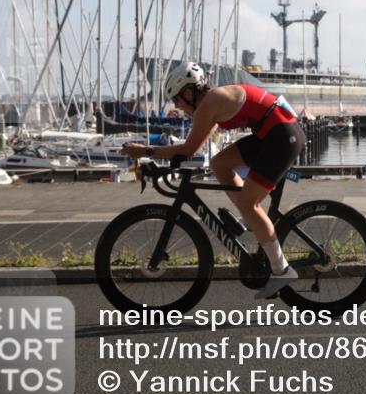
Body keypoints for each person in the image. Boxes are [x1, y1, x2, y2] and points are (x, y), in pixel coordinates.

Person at [120, 61, 305, 299]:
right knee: (220, 163)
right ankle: (247, 219)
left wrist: (144, 151)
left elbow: (188, 149)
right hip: (271, 132)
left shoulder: (210, 103)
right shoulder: (213, 102)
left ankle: (281, 270)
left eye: (177, 100)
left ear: (188, 92)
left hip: (281, 136)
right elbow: (194, 150)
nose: (177, 106)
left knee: (251, 203)